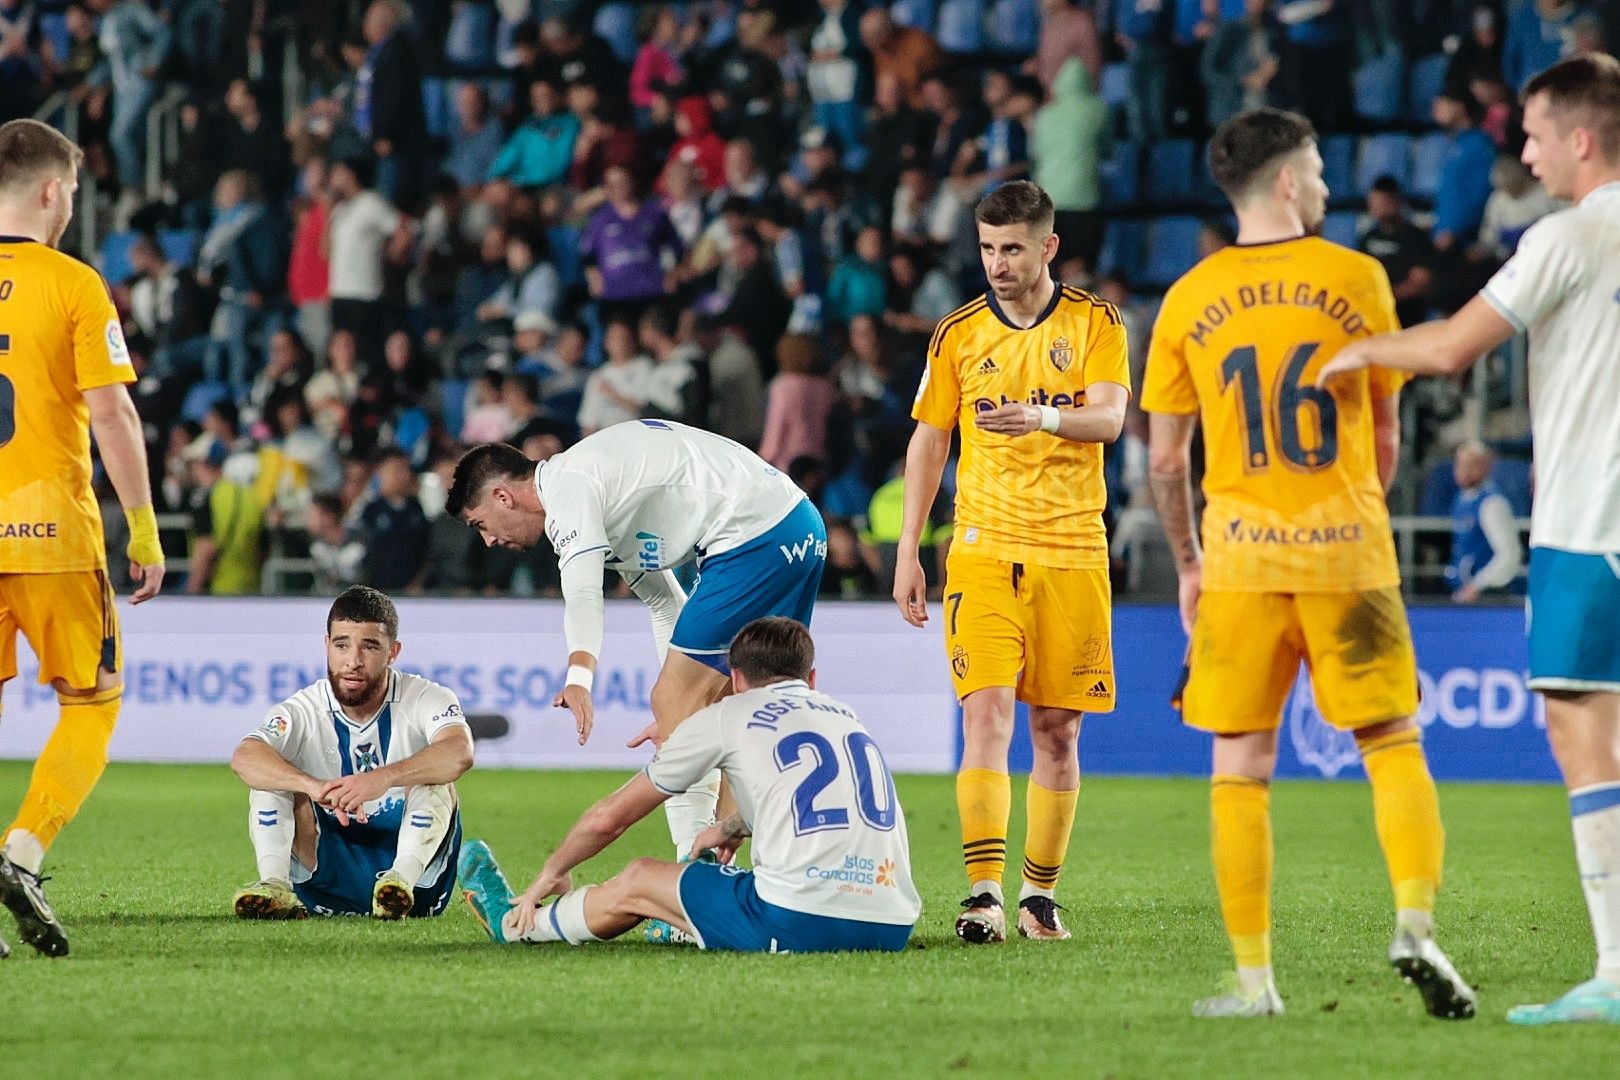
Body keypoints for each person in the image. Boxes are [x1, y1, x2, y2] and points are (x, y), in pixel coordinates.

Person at [1142, 107, 1474, 1020]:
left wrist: (1189, 562)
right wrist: (1354, 508)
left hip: (1242, 563)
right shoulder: (1358, 278)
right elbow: (1390, 429)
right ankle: (1415, 922)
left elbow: (1166, 462)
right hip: (1351, 553)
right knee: (1393, 743)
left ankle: (1255, 982)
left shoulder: (1186, 300)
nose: (1327, 184)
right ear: (1287, 181)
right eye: (1320, 168)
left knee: (1240, 766)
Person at [1316, 55, 1620, 1025]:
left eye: (1532, 134)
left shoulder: (1568, 236)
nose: (1523, 151)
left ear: (1580, 137)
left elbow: (1451, 347)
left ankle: (1615, 975)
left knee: (1583, 732)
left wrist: (1364, 350)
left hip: (1590, 523)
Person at [892, 180, 1130, 945]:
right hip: (984, 551)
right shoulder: (956, 334)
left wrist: (1045, 417)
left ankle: (1038, 896)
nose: (997, 263)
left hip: (1072, 551)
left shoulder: (1096, 321)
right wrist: (909, 549)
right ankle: (983, 895)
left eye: (1012, 248)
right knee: (986, 716)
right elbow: (929, 439)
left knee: (1057, 731)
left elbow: (1111, 418)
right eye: (988, 247)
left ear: (1048, 246)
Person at [444, 423, 826, 860]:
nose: (489, 540)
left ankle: (691, 875)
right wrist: (685, 699)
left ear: (502, 497)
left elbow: (585, 593)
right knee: (736, 712)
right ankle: (728, 868)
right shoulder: (608, 499)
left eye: (480, 524)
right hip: (800, 528)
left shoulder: (569, 487)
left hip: (755, 538)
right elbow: (666, 604)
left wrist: (580, 678)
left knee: (677, 707)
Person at [457, 617, 919, 953]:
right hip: (892, 922)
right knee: (703, 882)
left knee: (639, 876)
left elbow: (612, 818)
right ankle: (679, 921)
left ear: (735, 679)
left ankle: (520, 927)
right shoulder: (847, 716)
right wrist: (732, 825)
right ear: (811, 678)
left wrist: (550, 872)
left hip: (801, 920)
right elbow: (812, 798)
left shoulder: (728, 714)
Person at [0, 119, 166, 957]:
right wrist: (143, 526)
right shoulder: (73, 283)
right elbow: (111, 411)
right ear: (53, 191)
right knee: (92, 702)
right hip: (50, 533)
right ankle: (21, 851)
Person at [229, 586, 473, 920]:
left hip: (418, 890)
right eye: (342, 645)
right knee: (270, 780)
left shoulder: (426, 697)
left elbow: (459, 751)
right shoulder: (305, 708)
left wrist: (381, 779)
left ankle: (398, 880)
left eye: (370, 646)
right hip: (326, 879)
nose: (353, 661)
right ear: (326, 646)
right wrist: (312, 787)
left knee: (435, 779)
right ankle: (275, 886)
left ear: (393, 652)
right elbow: (245, 757)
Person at [1446, 441, 1523, 602]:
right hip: (1464, 591)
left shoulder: (1492, 504)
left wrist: (1478, 584)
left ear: (1484, 468)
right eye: (1458, 464)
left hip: (1488, 596)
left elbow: (1509, 554)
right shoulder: (1461, 499)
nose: (1459, 471)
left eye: (1467, 465)